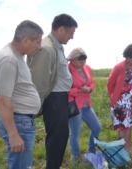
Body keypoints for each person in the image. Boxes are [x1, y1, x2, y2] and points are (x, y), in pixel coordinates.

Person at [27, 14, 78, 169]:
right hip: (53, 99)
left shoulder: (57, 46)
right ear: (61, 29)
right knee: (57, 139)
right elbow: (39, 79)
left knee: (61, 137)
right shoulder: (48, 48)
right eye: (71, 33)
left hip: (60, 98)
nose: (72, 37)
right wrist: (37, 105)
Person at [0, 20, 43, 169]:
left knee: (23, 164)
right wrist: (13, 134)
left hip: (22, 121)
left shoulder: (18, 56)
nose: (39, 47)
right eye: (37, 42)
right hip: (18, 124)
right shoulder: (9, 59)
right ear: (26, 40)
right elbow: (2, 100)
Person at [107, 44, 132, 154]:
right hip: (119, 102)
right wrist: (115, 98)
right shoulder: (119, 68)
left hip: (130, 102)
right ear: (127, 56)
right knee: (121, 127)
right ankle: (121, 152)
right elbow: (110, 84)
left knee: (129, 126)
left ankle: (128, 150)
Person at [67, 47, 101, 159]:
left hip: (86, 103)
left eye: (84, 59)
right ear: (72, 60)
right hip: (73, 104)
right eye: (79, 59)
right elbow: (65, 90)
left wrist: (89, 88)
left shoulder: (87, 68)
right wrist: (80, 90)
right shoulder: (67, 70)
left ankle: (91, 150)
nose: (82, 62)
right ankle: (76, 157)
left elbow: (92, 84)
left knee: (97, 127)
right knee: (76, 132)